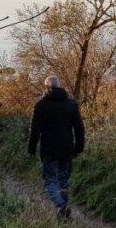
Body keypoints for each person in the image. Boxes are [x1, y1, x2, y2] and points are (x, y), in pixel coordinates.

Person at [28, 75, 85, 218]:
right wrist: (79, 147)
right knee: (63, 181)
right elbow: (79, 128)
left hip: (49, 150)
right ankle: (63, 213)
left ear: (47, 87)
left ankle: (61, 206)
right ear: (59, 86)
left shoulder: (41, 105)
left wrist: (31, 148)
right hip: (67, 149)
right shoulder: (71, 104)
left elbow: (35, 129)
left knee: (50, 181)